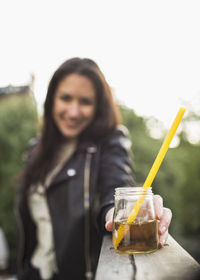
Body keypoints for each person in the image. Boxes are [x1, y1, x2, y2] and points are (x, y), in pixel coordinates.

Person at [16, 57, 172, 280]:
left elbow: (115, 187)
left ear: (98, 106)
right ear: (51, 100)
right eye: (65, 98)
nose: (73, 111)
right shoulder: (36, 150)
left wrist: (120, 212)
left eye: (85, 102)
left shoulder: (110, 142)